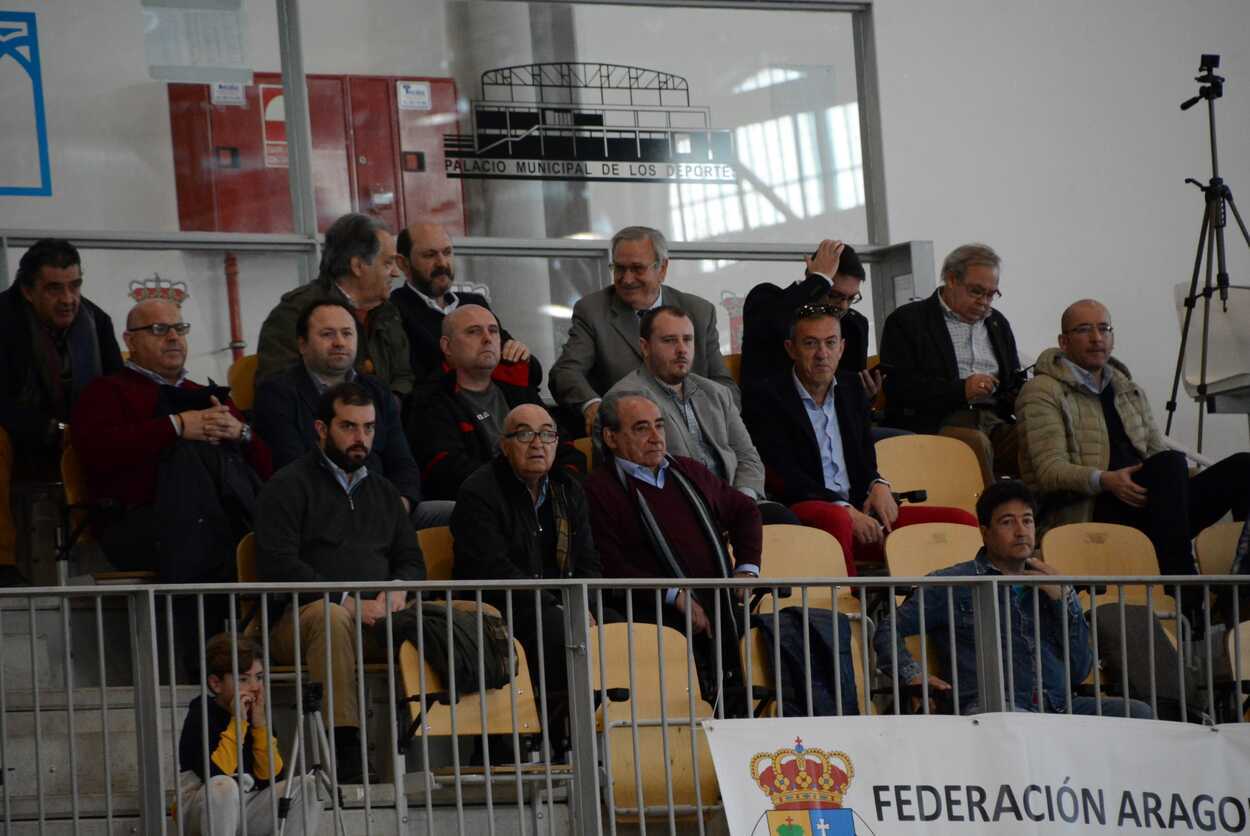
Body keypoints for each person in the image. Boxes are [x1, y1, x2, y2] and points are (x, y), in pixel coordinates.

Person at [255, 381, 426, 783]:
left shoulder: (384, 491)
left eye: (368, 427)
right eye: (348, 426)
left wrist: (396, 590)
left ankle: (486, 742)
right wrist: (347, 600)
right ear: (321, 428)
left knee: (466, 613)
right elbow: (279, 566)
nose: (360, 438)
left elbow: (412, 560)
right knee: (332, 618)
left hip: (377, 618)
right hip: (300, 620)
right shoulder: (287, 486)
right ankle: (345, 748)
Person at [874, 480, 1153, 718]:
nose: (1021, 531)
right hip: (993, 708)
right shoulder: (953, 582)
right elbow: (888, 629)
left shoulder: (1049, 583)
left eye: (1027, 520)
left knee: (1138, 714)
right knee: (1020, 722)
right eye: (1007, 522)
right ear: (985, 532)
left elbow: (1079, 670)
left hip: (1058, 706)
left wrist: (1065, 600)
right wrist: (912, 674)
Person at [1017, 299, 1250, 573]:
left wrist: (1183, 479)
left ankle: (1242, 578)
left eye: (1104, 329)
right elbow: (1048, 471)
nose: (1096, 338)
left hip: (1148, 499)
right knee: (1170, 464)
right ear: (1064, 342)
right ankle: (1182, 581)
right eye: (1084, 329)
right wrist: (1106, 480)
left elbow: (1156, 454)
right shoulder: (1042, 391)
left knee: (1243, 467)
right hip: (1089, 507)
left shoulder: (1128, 389)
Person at [742, 306, 976, 574]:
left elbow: (866, 459)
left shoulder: (852, 388)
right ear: (791, 349)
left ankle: (953, 599)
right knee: (837, 519)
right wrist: (845, 509)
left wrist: (878, 485)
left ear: (842, 348)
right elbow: (784, 477)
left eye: (830, 343)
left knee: (960, 521)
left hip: (859, 509)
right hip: (805, 508)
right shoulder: (765, 397)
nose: (822, 354)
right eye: (810, 344)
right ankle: (848, 599)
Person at [71, 299, 271, 581]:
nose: (173, 337)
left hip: (225, 519)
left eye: (180, 328)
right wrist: (176, 426)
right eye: (159, 329)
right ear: (130, 340)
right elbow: (96, 453)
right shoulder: (106, 392)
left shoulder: (209, 396)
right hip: (140, 521)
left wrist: (242, 434)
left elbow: (268, 471)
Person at [583, 390, 760, 707]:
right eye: (641, 428)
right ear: (610, 437)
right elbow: (610, 565)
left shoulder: (689, 471)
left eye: (659, 425)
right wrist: (674, 595)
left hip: (720, 603)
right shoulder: (598, 489)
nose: (656, 437)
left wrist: (747, 568)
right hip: (652, 611)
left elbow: (745, 510)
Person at [450, 403, 606, 740]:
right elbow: (491, 567)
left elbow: (588, 560)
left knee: (620, 624)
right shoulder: (479, 491)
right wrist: (559, 605)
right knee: (557, 628)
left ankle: (617, 739)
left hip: (562, 604)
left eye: (547, 434)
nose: (538, 444)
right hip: (504, 606)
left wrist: (585, 603)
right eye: (524, 434)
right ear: (504, 445)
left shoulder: (567, 488)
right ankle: (559, 736)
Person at [253, 298, 453, 528]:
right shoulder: (277, 394)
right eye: (327, 334)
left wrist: (402, 504)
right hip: (325, 517)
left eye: (347, 333)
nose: (339, 342)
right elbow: (291, 469)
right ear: (302, 344)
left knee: (464, 513)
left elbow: (403, 462)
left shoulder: (377, 390)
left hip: (388, 510)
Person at [606, 305, 797, 525]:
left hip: (736, 503)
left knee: (785, 522)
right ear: (645, 347)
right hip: (680, 516)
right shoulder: (626, 400)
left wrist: (742, 501)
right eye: (669, 341)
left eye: (687, 340)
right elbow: (636, 478)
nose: (681, 349)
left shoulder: (717, 393)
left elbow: (748, 457)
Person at [1, 239, 124, 576]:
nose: (68, 299)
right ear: (27, 291)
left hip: (79, 434)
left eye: (75, 285)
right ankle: (3, 562)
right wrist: (53, 430)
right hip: (19, 435)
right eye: (54, 288)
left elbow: (118, 393)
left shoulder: (97, 321)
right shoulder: (3, 320)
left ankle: (118, 552)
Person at [549, 225, 738, 435]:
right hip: (626, 436)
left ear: (662, 269)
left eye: (637, 269)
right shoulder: (593, 311)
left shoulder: (698, 312)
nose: (627, 279)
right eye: (619, 269)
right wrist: (592, 405)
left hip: (693, 432)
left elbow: (725, 386)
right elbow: (565, 373)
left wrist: (704, 419)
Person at [878, 243, 1025, 486]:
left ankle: (1041, 507)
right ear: (951, 280)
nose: (984, 302)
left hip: (993, 418)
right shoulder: (908, 321)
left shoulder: (997, 323)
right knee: (975, 443)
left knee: (1038, 438)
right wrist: (961, 390)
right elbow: (898, 387)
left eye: (991, 294)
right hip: (938, 421)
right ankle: (991, 507)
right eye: (976, 291)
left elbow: (1012, 380)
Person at [409, 305, 584, 501]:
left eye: (493, 331)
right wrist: (524, 489)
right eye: (473, 332)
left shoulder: (518, 391)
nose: (487, 339)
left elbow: (567, 450)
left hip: (545, 499)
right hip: (481, 504)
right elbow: (447, 471)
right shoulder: (430, 400)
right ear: (447, 347)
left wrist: (558, 492)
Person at [177, 634, 323, 835]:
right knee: (224, 787)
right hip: (202, 806)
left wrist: (260, 725)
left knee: (308, 786)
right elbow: (215, 773)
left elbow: (272, 778)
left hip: (246, 804)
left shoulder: (257, 714)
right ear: (216, 684)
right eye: (243, 679)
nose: (255, 687)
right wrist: (238, 722)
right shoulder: (201, 713)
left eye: (259, 677)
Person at [256, 213, 414, 398]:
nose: (396, 273)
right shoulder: (295, 312)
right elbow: (278, 389)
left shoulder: (387, 312)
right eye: (388, 263)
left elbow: (404, 376)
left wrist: (389, 406)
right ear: (357, 266)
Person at [390, 221, 538, 387]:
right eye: (429, 255)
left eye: (447, 252)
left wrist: (522, 355)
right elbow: (420, 378)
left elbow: (532, 373)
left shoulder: (474, 303)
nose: (442, 263)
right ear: (403, 263)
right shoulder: (394, 311)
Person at [740, 238, 874, 389]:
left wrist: (865, 395)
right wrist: (820, 279)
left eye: (851, 298)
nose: (843, 306)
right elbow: (777, 325)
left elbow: (851, 388)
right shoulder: (765, 299)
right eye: (834, 295)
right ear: (812, 281)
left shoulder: (854, 324)